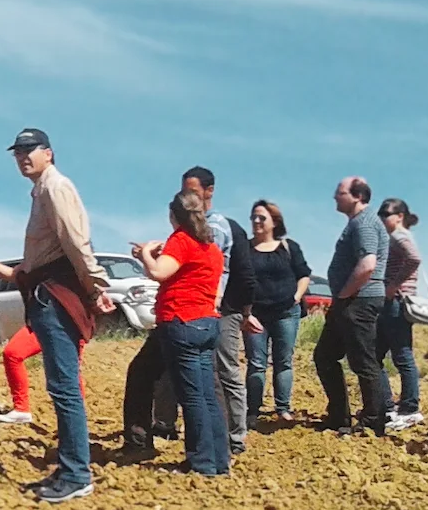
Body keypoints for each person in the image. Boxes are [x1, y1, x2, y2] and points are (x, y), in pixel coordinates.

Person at [5, 128, 113, 503]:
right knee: (60, 387)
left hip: (56, 292)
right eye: (18, 152)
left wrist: (96, 286)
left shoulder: (55, 188)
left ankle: (77, 473)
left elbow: (75, 241)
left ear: (48, 153)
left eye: (29, 151)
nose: (23, 157)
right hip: (46, 291)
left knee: (65, 388)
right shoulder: (41, 191)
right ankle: (70, 466)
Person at [131, 191, 229, 476]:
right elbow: (181, 269)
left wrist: (147, 254)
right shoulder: (210, 246)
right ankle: (218, 460)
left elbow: (160, 273)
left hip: (181, 322)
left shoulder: (181, 240)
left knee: (193, 397)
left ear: (174, 215)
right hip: (206, 323)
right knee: (208, 395)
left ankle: (201, 462)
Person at [180, 167, 256, 457]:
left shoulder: (221, 227)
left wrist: (244, 311)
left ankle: (235, 436)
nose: (188, 196)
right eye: (184, 189)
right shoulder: (188, 227)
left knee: (226, 370)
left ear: (209, 191)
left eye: (193, 190)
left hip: (224, 309)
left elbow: (241, 273)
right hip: (198, 308)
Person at [0, 244, 82, 427]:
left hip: (63, 322)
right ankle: (22, 409)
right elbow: (11, 274)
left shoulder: (59, 262)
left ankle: (75, 422)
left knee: (68, 371)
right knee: (13, 354)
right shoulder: (32, 264)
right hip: (41, 323)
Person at [317, 176, 390, 436]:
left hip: (358, 301)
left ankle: (373, 422)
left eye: (340, 192)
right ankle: (339, 416)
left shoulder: (365, 224)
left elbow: (368, 264)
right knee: (325, 356)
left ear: (357, 196)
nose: (336, 197)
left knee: (363, 361)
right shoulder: (359, 223)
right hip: (349, 301)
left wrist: (346, 294)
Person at [244, 201, 310, 422]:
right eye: (253, 217)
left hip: (286, 313)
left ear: (275, 222)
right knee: (256, 363)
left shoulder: (289, 247)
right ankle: (252, 411)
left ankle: (283, 407)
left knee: (283, 361)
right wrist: (245, 312)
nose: (256, 221)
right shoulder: (244, 249)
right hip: (256, 315)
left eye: (262, 217)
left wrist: (296, 297)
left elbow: (303, 274)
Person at [374, 198, 425, 429]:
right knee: (377, 355)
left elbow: (414, 258)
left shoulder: (399, 236)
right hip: (393, 302)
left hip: (395, 302)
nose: (382, 218)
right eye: (381, 214)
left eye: (386, 213)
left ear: (400, 216)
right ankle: (388, 406)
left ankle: (409, 408)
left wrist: (393, 285)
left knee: (402, 356)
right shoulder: (397, 236)